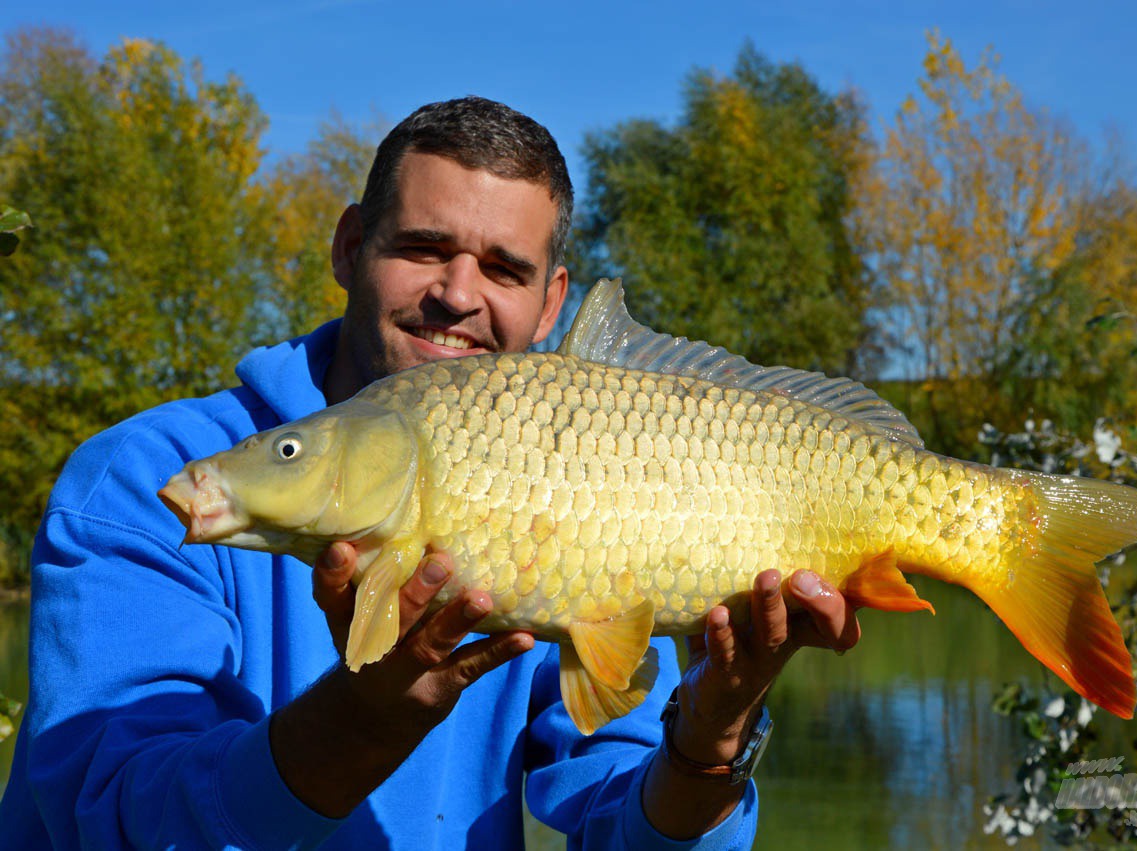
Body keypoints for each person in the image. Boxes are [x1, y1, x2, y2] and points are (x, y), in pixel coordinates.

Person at [0, 96, 862, 849]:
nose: (457, 292)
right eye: (422, 247)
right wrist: (367, 718)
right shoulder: (142, 480)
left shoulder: (571, 480)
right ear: (348, 248)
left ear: (553, 304)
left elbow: (623, 829)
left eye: (503, 268)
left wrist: (707, 740)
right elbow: (107, 821)